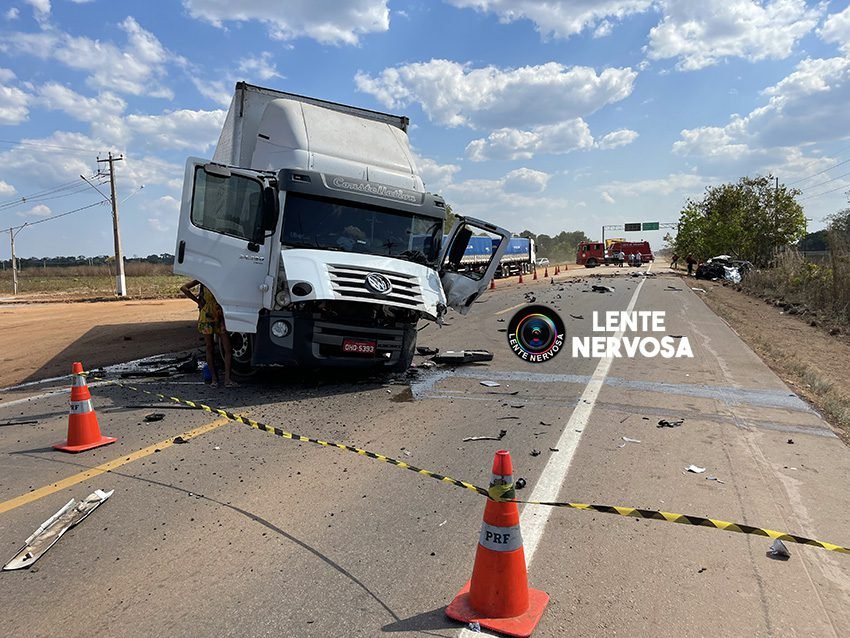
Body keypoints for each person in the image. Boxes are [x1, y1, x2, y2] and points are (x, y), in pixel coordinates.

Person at [181, 280, 236, 388]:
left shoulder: (218, 278)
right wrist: (197, 301)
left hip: (219, 316)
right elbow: (184, 288)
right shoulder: (203, 279)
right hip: (210, 316)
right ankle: (215, 379)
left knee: (227, 348)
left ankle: (227, 379)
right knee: (210, 347)